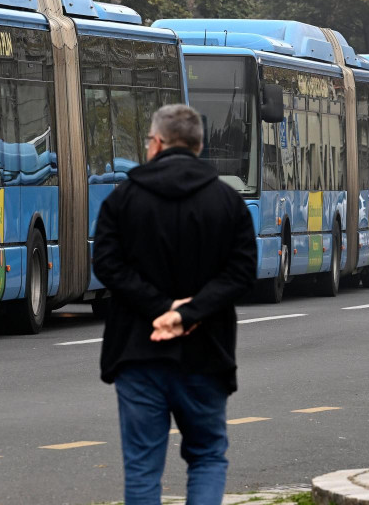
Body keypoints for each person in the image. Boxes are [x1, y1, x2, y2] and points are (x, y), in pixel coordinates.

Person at [93, 104, 257, 505]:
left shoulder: (123, 198)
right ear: (199, 146)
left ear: (157, 143)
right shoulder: (227, 202)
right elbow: (242, 272)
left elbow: (107, 265)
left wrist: (160, 308)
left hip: (138, 352)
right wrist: (187, 314)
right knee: (206, 456)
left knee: (143, 469)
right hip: (206, 355)